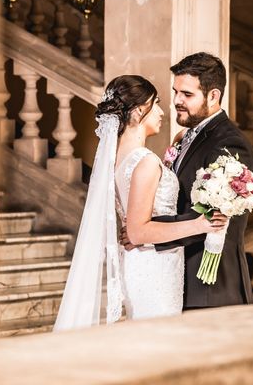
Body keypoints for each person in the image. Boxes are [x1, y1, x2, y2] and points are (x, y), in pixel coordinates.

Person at [53, 75, 227, 331]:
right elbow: (138, 231)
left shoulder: (116, 159)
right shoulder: (144, 161)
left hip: (142, 263)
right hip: (154, 267)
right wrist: (201, 225)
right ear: (137, 112)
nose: (160, 111)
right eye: (154, 104)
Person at [122, 52, 253, 309]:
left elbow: (213, 217)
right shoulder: (185, 136)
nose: (176, 101)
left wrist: (144, 232)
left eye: (187, 94)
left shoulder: (230, 143)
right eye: (175, 92)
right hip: (177, 278)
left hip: (210, 286)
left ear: (213, 96)